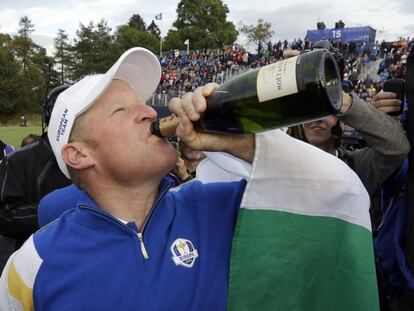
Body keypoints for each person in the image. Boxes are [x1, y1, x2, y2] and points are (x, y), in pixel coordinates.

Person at [0, 47, 378, 310]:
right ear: (79, 154)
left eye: (143, 102)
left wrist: (241, 142)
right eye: (122, 109)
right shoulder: (33, 264)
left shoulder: (222, 206)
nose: (148, 111)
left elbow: (340, 195)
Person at [0, 85, 72, 271]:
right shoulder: (18, 160)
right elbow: (5, 216)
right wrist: (59, 209)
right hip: (33, 267)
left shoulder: (99, 158)